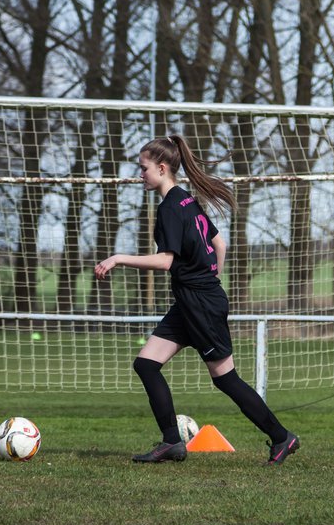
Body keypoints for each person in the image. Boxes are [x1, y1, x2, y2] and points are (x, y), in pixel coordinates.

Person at [94, 135, 299, 464]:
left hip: (200, 304)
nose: (139, 175)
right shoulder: (188, 201)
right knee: (146, 364)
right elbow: (221, 244)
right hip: (192, 301)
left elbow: (166, 261)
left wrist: (118, 258)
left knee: (226, 379)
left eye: (143, 168)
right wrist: (211, 275)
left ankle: (281, 437)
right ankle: (172, 442)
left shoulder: (171, 208)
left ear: (161, 168)